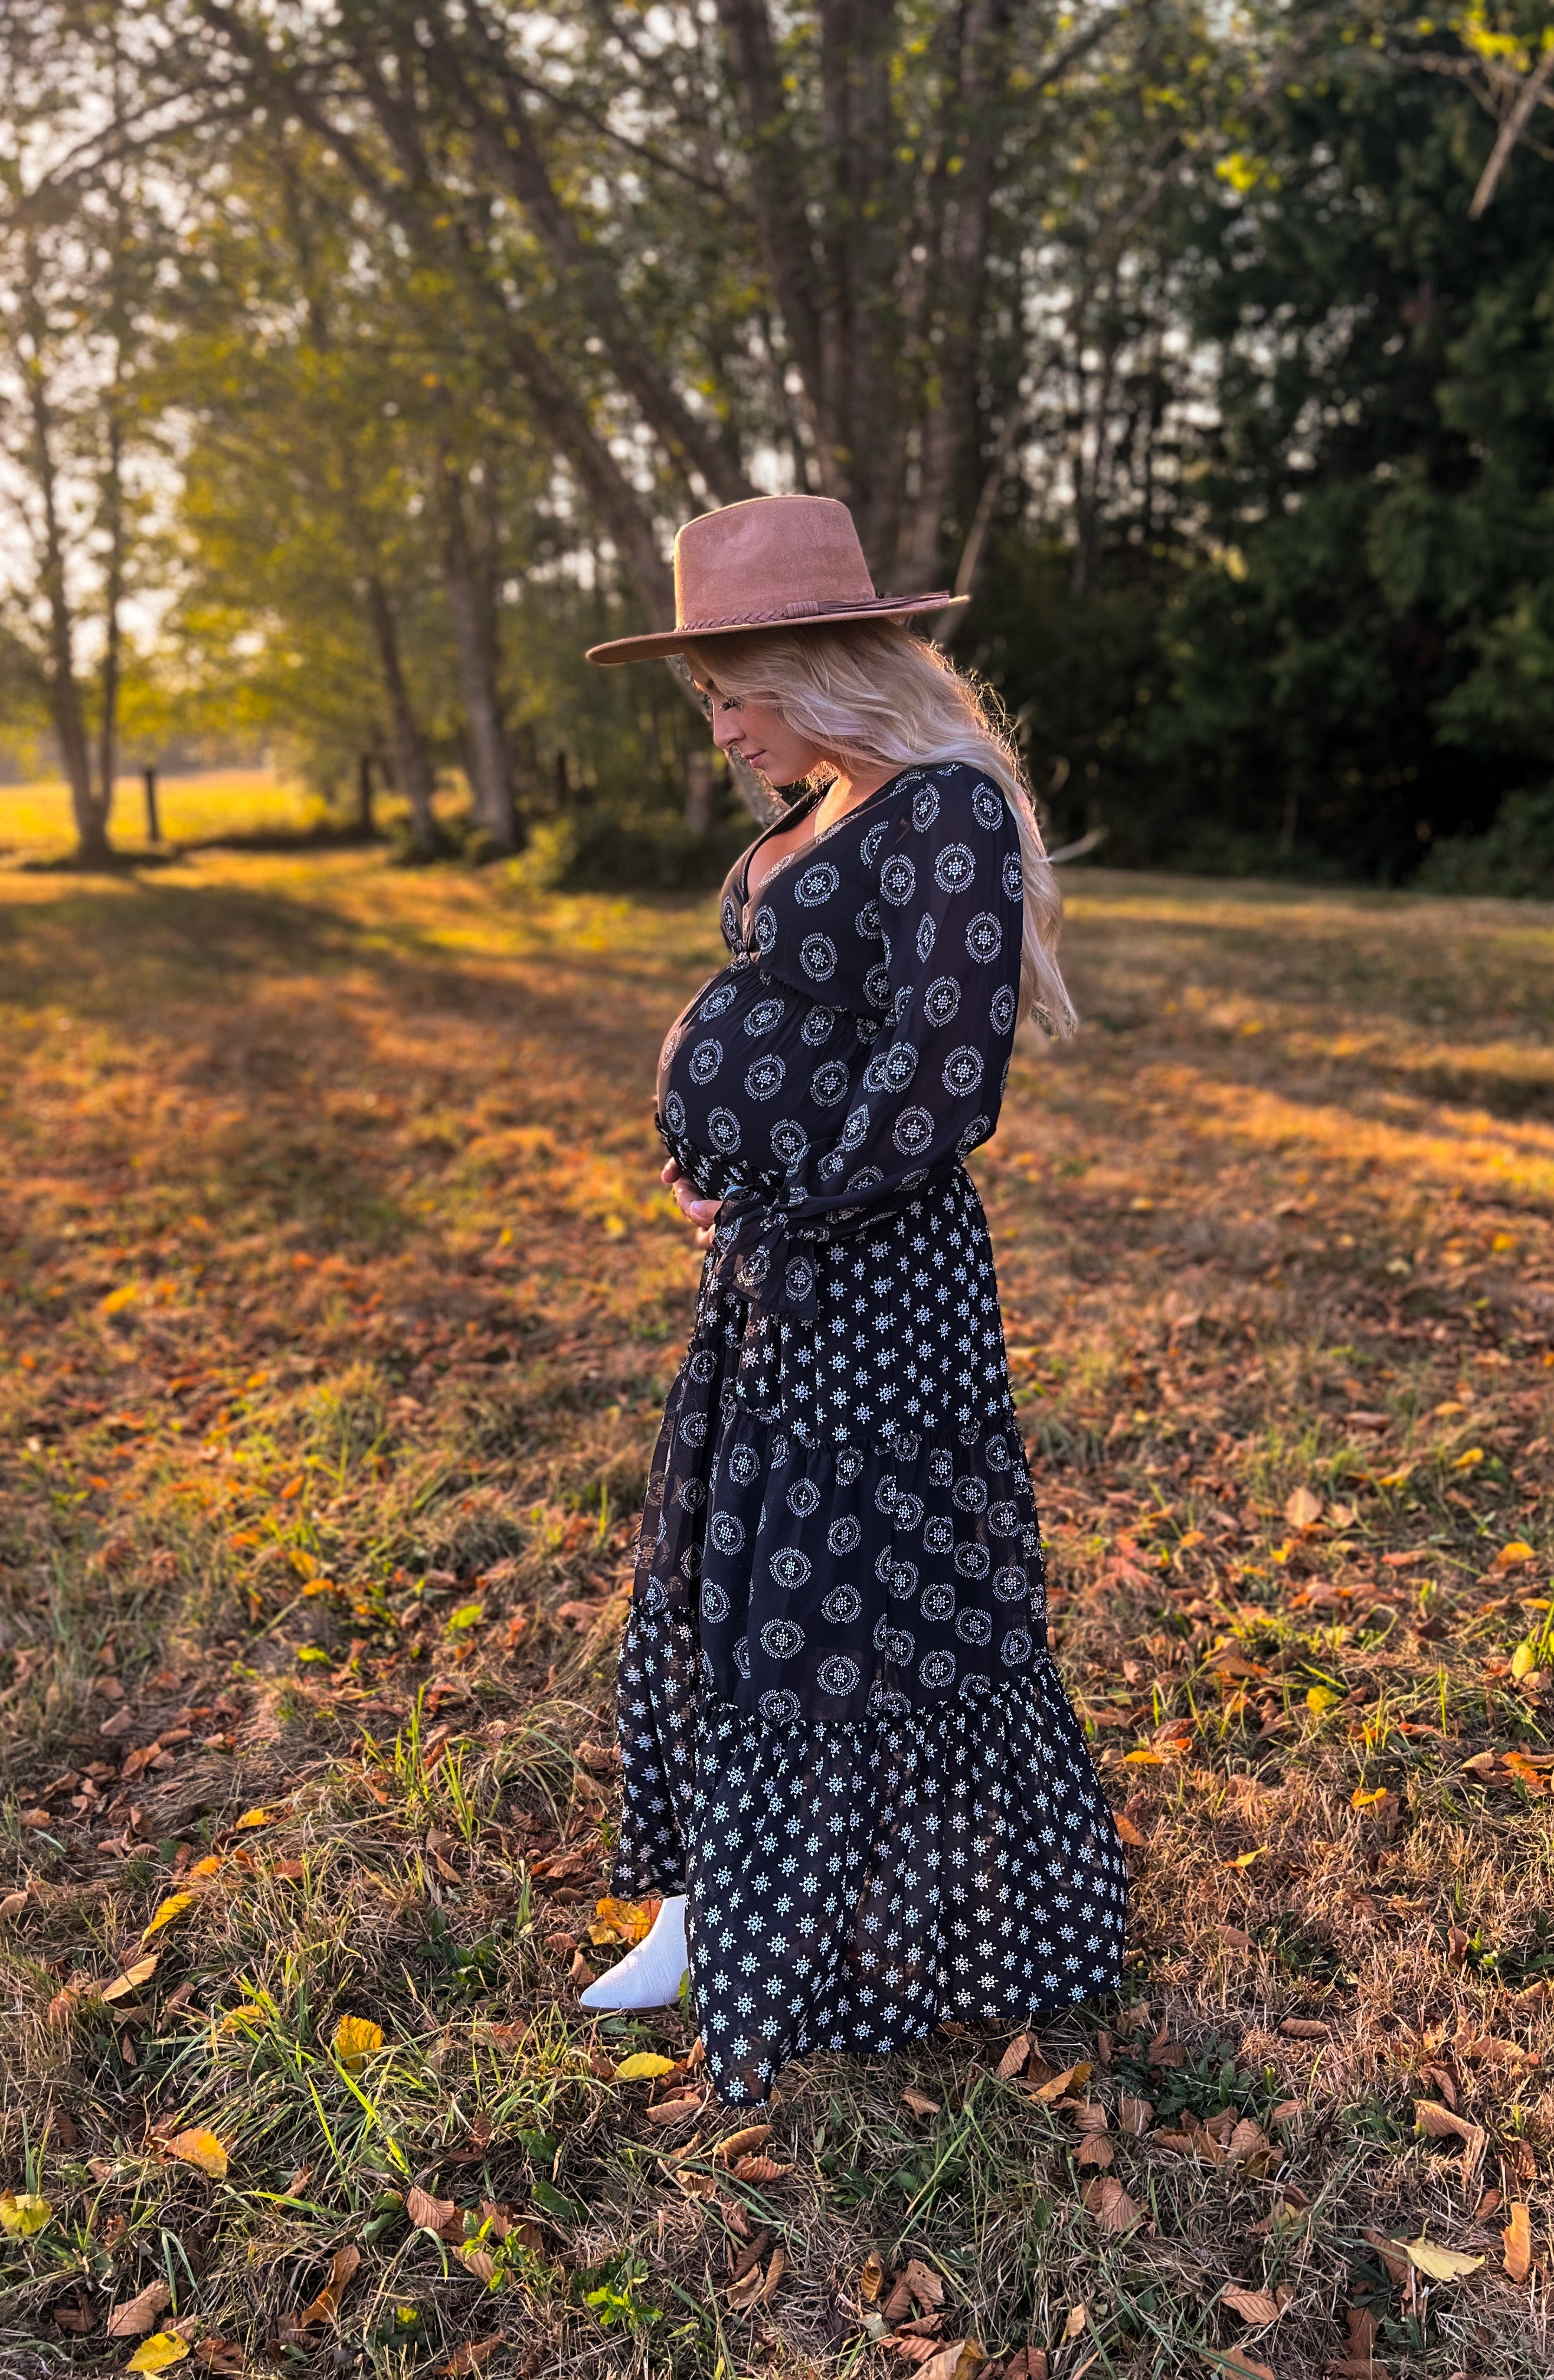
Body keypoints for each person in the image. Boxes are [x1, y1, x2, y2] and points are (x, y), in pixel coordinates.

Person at [576, 494, 1127, 2106]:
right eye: (708, 695)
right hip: (780, 1267)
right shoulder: (830, 805)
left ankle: (877, 1929)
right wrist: (722, 1182)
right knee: (736, 1567)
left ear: (820, 657)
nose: (725, 724)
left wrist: (780, 1195)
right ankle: (720, 1895)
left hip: (873, 1276)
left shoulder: (942, 809)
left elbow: (945, 1083)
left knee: (856, 1601)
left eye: (736, 686)